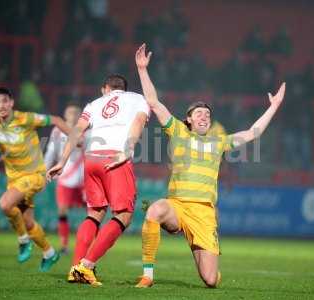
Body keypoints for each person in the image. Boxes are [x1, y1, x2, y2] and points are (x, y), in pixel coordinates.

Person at [134, 44, 286, 288]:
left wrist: (274, 107)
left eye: (207, 114)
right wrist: (142, 69)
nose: (205, 116)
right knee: (155, 210)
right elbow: (153, 102)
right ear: (189, 120)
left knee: (210, 280)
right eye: (199, 113)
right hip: (178, 205)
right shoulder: (178, 132)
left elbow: (252, 133)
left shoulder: (219, 142)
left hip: (204, 214)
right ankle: (147, 276)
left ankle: (198, 247)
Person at [47, 75, 150, 286]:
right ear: (124, 88)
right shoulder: (137, 99)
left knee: (94, 213)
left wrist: (62, 161)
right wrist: (128, 150)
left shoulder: (94, 104)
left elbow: (76, 130)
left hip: (92, 159)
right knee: (123, 216)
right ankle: (86, 266)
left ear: (106, 89)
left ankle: (76, 268)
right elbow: (139, 121)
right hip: (115, 157)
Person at [0, 87, 70, 271]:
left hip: (34, 175)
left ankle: (23, 241)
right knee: (28, 222)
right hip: (14, 179)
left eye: (5, 101)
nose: (2, 105)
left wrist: (75, 136)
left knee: (5, 204)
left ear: (12, 102)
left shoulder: (25, 118)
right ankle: (50, 253)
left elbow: (56, 120)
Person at [44, 102, 85, 254]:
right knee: (62, 210)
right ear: (65, 115)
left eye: (76, 113)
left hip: (83, 179)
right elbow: (51, 152)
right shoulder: (57, 131)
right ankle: (64, 245)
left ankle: (91, 244)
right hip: (65, 176)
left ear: (80, 115)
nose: (73, 115)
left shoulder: (86, 131)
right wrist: (45, 169)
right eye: (70, 113)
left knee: (93, 211)